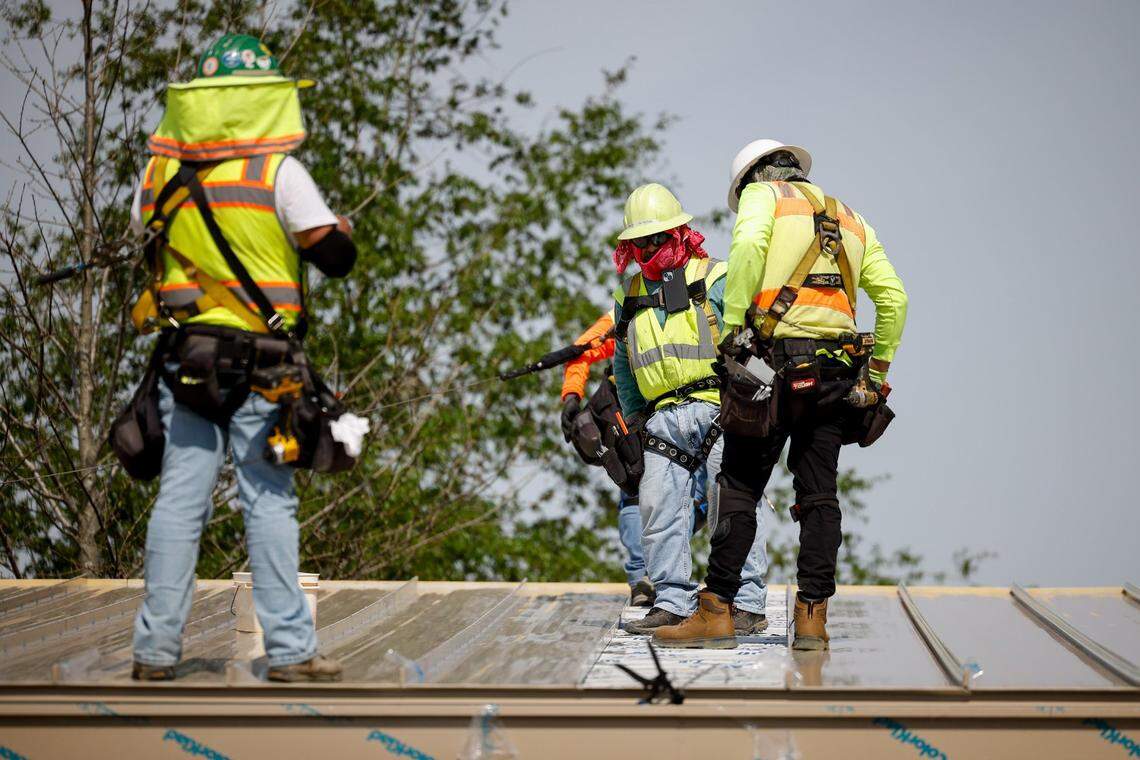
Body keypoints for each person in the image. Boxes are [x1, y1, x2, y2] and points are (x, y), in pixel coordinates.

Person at [128, 34, 357, 682]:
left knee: (179, 502)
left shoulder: (156, 177)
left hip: (187, 360)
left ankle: (153, 653)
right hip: (262, 366)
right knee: (268, 502)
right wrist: (340, 230)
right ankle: (289, 652)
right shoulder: (276, 173)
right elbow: (333, 257)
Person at [653, 140, 907, 650]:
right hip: (837, 373)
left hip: (776, 368)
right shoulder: (852, 218)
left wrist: (732, 327)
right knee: (818, 495)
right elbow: (894, 299)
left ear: (753, 177)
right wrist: (874, 376)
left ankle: (717, 610)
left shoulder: (763, 196)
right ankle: (812, 620)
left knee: (741, 486)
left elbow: (746, 250)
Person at [609, 183, 770, 641]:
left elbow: (750, 339)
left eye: (658, 237)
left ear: (679, 232)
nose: (650, 247)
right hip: (662, 418)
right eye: (641, 241)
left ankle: (746, 602)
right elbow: (623, 364)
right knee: (657, 508)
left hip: (721, 409)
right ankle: (671, 602)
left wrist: (754, 405)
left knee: (733, 509)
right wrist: (634, 418)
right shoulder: (628, 295)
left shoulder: (715, 276)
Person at [559, 311, 655, 607]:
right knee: (634, 488)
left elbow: (579, 350)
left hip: (667, 401)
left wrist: (573, 396)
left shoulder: (627, 303)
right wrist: (572, 395)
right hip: (633, 404)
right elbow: (582, 349)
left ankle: (651, 573)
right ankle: (644, 576)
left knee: (652, 492)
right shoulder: (626, 306)